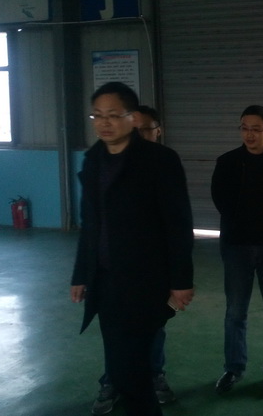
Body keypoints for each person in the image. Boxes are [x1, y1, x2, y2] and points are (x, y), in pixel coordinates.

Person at [70, 82, 194, 416]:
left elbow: (178, 224)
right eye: (97, 115)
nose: (104, 122)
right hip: (106, 280)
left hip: (145, 281)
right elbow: (89, 225)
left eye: (113, 115)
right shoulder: (93, 161)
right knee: (121, 364)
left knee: (133, 367)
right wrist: (81, 274)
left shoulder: (159, 160)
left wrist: (181, 280)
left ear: (133, 118)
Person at [91, 104, 174, 415]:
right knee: (114, 331)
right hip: (116, 270)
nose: (139, 136)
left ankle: (154, 376)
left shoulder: (165, 165)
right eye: (134, 130)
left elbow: (176, 225)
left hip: (153, 271)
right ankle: (111, 382)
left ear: (158, 131)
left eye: (146, 130)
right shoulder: (112, 165)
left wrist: (178, 277)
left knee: (153, 327)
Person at [211, 105, 263, 396]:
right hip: (237, 249)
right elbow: (220, 199)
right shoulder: (228, 162)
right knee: (235, 312)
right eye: (244, 128)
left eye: (256, 129)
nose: (249, 134)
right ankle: (233, 368)